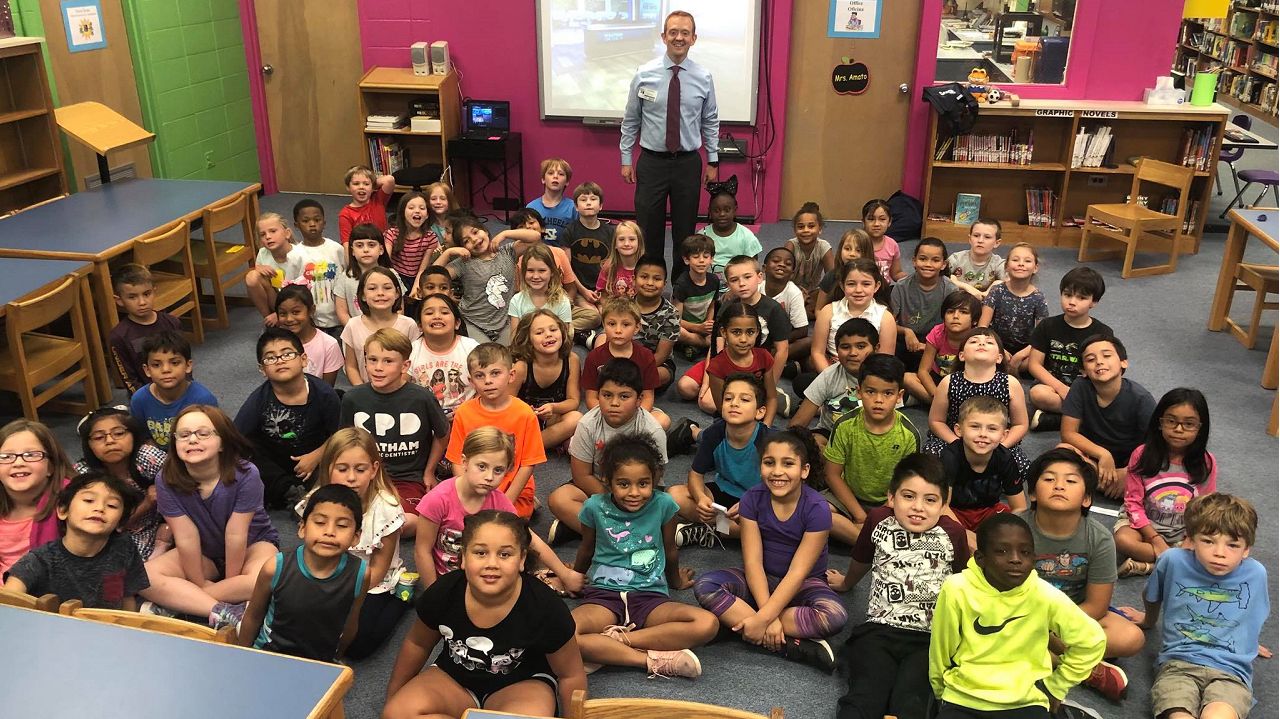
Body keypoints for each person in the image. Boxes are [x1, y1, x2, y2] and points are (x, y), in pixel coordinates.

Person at [382, 511, 587, 719]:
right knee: (396, 714)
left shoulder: (544, 606)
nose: (492, 563)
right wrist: (393, 698)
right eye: (480, 553)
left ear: (522, 559)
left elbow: (571, 675)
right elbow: (417, 644)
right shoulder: (445, 591)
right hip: (454, 678)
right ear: (463, 557)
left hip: (521, 685)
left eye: (505, 554)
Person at [694, 430, 848, 673]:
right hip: (760, 580)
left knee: (834, 615)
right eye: (769, 463)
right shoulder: (751, 499)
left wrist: (761, 617)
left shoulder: (818, 508)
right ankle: (784, 642)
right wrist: (770, 618)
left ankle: (742, 625)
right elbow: (753, 562)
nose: (777, 472)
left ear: (804, 470)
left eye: (788, 464)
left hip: (803, 583)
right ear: (760, 467)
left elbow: (798, 573)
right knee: (706, 584)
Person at [828, 454, 969, 719]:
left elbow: (964, 581)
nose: (918, 507)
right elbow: (862, 558)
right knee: (865, 697)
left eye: (930, 500)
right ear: (891, 497)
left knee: (911, 702)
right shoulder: (879, 519)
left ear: (944, 503)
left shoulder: (954, 533)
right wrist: (847, 583)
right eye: (908, 496)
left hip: (929, 640)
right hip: (878, 632)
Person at [929, 514, 1106, 718]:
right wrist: (941, 695)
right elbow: (941, 650)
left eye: (1025, 552)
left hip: (1025, 701)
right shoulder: (956, 588)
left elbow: (1092, 641)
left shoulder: (1043, 593)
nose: (1015, 559)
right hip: (963, 697)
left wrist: (1056, 687)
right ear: (980, 559)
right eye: (1002, 551)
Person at [570, 434, 716, 678]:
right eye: (623, 484)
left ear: (655, 479)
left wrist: (676, 581)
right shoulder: (594, 507)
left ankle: (613, 643)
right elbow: (587, 547)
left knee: (707, 623)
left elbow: (670, 548)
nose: (634, 493)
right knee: (562, 633)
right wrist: (576, 575)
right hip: (604, 595)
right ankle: (648, 660)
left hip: (650, 597)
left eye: (643, 483)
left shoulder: (664, 504)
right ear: (607, 480)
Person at [1120, 494, 1270, 719]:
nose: (1220, 552)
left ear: (1246, 548)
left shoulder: (1256, 573)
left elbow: (1254, 611)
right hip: (1178, 664)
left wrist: (1246, 638)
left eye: (1233, 545)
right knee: (1178, 715)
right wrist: (1148, 620)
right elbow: (1152, 595)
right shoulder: (1172, 560)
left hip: (1231, 671)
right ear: (1189, 539)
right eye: (1208, 541)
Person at [1018, 448, 1145, 701]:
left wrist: (1052, 630)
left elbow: (1097, 606)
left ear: (1087, 498)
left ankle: (1046, 656)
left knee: (1131, 637)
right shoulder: (1015, 529)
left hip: (1074, 614)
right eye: (1049, 479)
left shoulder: (1098, 538)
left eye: (1071, 480)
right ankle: (1082, 667)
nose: (1059, 486)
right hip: (1021, 614)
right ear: (1032, 493)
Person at [139, 406, 280, 629]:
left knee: (268, 577)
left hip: (252, 545)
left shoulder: (246, 473)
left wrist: (228, 582)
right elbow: (186, 537)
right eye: (184, 435)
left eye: (203, 434)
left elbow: (236, 534)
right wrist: (199, 581)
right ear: (175, 444)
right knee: (142, 577)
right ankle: (222, 610)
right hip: (203, 553)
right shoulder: (165, 479)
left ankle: (186, 601)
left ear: (222, 442)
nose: (192, 440)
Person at [417, 427, 582, 595]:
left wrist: (565, 574)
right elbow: (422, 550)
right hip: (451, 581)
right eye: (482, 466)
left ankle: (547, 576)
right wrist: (433, 595)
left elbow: (529, 538)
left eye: (498, 470)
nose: (489, 477)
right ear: (465, 462)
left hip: (488, 577)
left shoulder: (499, 501)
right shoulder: (438, 499)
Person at [621, 9, 719, 280]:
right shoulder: (644, 74)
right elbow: (631, 120)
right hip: (651, 162)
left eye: (684, 33)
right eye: (673, 32)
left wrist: (712, 160)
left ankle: (681, 287)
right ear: (664, 36)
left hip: (688, 163)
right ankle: (650, 284)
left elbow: (710, 120)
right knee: (648, 229)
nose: (679, 38)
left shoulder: (704, 77)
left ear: (693, 38)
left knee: (685, 231)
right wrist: (626, 159)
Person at [296, 428, 411, 660]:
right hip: (328, 574)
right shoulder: (317, 500)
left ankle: (403, 596)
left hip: (372, 581)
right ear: (329, 468)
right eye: (342, 469)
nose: (351, 478)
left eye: (360, 470)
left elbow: (378, 569)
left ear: (373, 470)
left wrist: (342, 595)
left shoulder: (386, 508)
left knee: (359, 644)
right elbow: (309, 550)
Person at [238, 484, 369, 661]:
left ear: (356, 537)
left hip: (320, 660)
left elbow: (350, 622)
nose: (329, 532)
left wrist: (336, 657)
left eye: (342, 525)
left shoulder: (360, 574)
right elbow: (253, 616)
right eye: (320, 522)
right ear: (302, 528)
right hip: (269, 653)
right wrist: (241, 657)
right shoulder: (275, 567)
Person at [546, 358, 667, 542]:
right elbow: (581, 475)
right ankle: (626, 536)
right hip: (598, 486)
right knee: (559, 499)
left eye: (624, 396)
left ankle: (591, 531)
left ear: (639, 399)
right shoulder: (587, 424)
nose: (614, 403)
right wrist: (615, 498)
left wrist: (629, 496)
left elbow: (656, 476)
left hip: (639, 493)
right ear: (598, 395)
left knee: (667, 505)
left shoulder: (652, 430)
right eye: (607, 395)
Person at [340, 329, 449, 533]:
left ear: (405, 365)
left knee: (404, 522)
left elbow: (442, 435)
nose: (378, 368)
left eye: (388, 361)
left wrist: (428, 472)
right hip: (365, 476)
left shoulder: (421, 398)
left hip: (408, 478)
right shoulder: (353, 398)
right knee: (335, 514)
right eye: (372, 360)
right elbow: (344, 443)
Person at [5, 471, 147, 610]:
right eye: (89, 500)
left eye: (112, 505)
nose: (99, 508)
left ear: (121, 523)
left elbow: (127, 598)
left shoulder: (124, 547)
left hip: (107, 629)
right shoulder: (40, 560)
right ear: (62, 510)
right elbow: (9, 600)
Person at [1114, 388, 1216, 577]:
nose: (1178, 429)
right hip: (1143, 524)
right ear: (1159, 423)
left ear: (1201, 428)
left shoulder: (1206, 461)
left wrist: (1190, 538)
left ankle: (1149, 566)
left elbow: (1205, 508)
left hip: (1183, 529)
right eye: (1171, 421)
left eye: (1189, 424)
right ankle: (1173, 560)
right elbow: (1133, 503)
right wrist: (1154, 538)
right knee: (1123, 541)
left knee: (1215, 550)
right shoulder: (1141, 455)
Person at [234, 328, 341, 509]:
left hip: (313, 461)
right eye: (270, 357)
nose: (280, 360)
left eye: (287, 354)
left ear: (303, 359)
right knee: (243, 457)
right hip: (275, 464)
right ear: (262, 369)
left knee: (341, 466)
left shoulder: (324, 394)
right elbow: (234, 437)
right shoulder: (259, 399)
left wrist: (316, 456)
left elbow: (341, 433)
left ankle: (304, 493)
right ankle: (291, 493)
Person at [822, 354, 921, 545]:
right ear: (858, 392)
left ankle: (861, 540)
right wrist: (859, 516)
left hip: (890, 504)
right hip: (848, 497)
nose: (878, 400)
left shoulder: (909, 434)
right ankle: (871, 543)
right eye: (870, 391)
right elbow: (832, 475)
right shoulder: (845, 425)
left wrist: (880, 515)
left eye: (887, 393)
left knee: (917, 521)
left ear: (899, 396)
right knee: (818, 511)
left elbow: (907, 485)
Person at [669, 373, 772, 544]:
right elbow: (695, 474)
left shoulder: (769, 441)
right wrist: (701, 498)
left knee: (774, 521)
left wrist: (753, 502)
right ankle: (728, 530)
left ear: (760, 412)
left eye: (745, 400)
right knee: (674, 496)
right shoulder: (715, 433)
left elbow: (784, 485)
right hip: (723, 494)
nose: (734, 403)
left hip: (759, 499)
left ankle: (715, 531)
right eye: (728, 398)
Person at [447, 343, 546, 518]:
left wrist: (505, 501)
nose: (488, 381)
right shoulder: (464, 412)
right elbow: (457, 460)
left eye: (495, 373)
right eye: (479, 375)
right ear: (471, 381)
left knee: (505, 528)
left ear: (511, 375)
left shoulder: (524, 414)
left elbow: (527, 464)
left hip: (513, 490)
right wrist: (468, 494)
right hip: (473, 486)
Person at [924, 328, 1031, 478]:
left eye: (989, 342)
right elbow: (936, 420)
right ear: (961, 355)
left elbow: (1020, 424)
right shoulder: (949, 382)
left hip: (995, 440)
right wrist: (958, 444)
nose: (981, 343)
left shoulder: (1010, 383)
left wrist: (999, 446)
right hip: (956, 437)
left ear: (999, 357)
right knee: (932, 460)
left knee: (1018, 466)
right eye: (974, 341)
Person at [1061, 334, 1156, 499]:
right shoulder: (1080, 387)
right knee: (1063, 451)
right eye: (1090, 359)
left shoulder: (1141, 398)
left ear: (1123, 362)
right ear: (1083, 371)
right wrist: (1103, 454)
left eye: (1107, 356)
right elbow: (1068, 433)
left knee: (1159, 476)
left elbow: (1156, 443)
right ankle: (1108, 483)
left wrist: (1128, 471)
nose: (1099, 362)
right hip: (1095, 458)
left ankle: (1101, 482)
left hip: (1131, 463)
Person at [74, 405, 168, 559]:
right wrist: (147, 503)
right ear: (88, 445)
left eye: (118, 433)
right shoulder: (84, 475)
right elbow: (105, 526)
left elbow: (181, 480)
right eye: (98, 437)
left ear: (133, 435)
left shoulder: (147, 457)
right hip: (106, 535)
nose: (110, 441)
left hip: (154, 528)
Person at [1027, 266, 1112, 430]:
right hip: (1053, 387)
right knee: (1037, 394)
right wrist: (1061, 388)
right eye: (1067, 295)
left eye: (1081, 298)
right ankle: (1088, 420)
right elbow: (1034, 365)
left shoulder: (1103, 332)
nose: (1072, 302)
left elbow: (1105, 368)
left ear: (1094, 302)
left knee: (1109, 398)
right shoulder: (1047, 326)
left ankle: (1058, 421)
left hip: (1086, 389)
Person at [433, 216, 540, 345]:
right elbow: (433, 276)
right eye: (466, 240)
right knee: (483, 358)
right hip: (473, 323)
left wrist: (505, 233)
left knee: (507, 358)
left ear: (485, 230)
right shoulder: (463, 263)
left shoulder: (507, 252)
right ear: (463, 247)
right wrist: (448, 253)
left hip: (504, 323)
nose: (474, 239)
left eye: (475, 232)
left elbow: (535, 237)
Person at [940, 396, 1028, 549]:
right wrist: (965, 534)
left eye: (992, 429)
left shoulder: (1005, 458)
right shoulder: (950, 457)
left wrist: (1005, 535)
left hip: (989, 511)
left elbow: (1019, 508)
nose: (983, 434)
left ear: (1004, 435)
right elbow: (942, 506)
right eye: (975, 426)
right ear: (959, 430)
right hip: (955, 512)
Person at [581, 298, 668, 430]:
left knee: (663, 420)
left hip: (635, 411)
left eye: (625, 325)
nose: (618, 330)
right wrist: (609, 415)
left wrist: (631, 418)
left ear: (637, 327)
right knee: (583, 424)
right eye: (612, 324)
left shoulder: (646, 356)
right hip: (604, 412)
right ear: (604, 325)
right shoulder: (594, 357)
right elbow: (591, 398)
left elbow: (648, 396)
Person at [0, 420, 72, 577]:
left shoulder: (72, 501)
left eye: (31, 455)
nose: (18, 463)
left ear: (51, 467)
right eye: (6, 456)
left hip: (48, 592)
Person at [890, 237, 957, 402]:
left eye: (935, 260)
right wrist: (906, 331)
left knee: (946, 368)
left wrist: (929, 344)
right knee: (888, 366)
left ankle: (921, 397)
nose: (928, 264)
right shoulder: (901, 287)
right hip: (905, 341)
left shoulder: (950, 289)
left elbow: (953, 324)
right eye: (923, 258)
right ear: (914, 261)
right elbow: (888, 323)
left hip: (936, 344)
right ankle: (920, 396)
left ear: (943, 264)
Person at [128, 331, 219, 449]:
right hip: (158, 458)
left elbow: (213, 439)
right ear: (147, 370)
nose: (166, 370)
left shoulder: (203, 400)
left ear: (188, 366)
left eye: (175, 363)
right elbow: (142, 438)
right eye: (156, 365)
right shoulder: (139, 399)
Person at [789, 318, 877, 437]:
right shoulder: (828, 376)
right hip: (831, 433)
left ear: (876, 349)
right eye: (845, 347)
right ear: (837, 350)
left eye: (861, 346)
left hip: (871, 436)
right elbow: (798, 423)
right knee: (813, 443)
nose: (853, 353)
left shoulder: (885, 377)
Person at [511, 310, 583, 451]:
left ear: (562, 332)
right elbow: (507, 401)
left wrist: (553, 407)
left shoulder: (572, 360)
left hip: (552, 418)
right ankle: (550, 443)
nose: (548, 334)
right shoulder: (521, 367)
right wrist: (525, 411)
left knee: (576, 418)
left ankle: (526, 449)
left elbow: (573, 401)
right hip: (525, 421)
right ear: (528, 340)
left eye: (553, 329)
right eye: (539, 333)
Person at [812, 259, 897, 376]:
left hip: (870, 374)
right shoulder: (828, 311)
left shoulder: (885, 317)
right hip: (833, 371)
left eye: (866, 284)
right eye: (851, 284)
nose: (858, 290)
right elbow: (818, 352)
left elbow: (884, 360)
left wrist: (865, 385)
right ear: (842, 286)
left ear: (876, 286)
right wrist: (830, 379)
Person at [107, 263, 183, 395]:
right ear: (119, 300)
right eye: (132, 297)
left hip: (179, 390)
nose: (142, 302)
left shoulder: (172, 323)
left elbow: (183, 359)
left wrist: (185, 387)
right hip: (147, 396)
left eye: (146, 294)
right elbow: (128, 378)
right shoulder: (119, 336)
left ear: (154, 291)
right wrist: (149, 399)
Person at [340, 265, 421, 386]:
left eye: (387, 288)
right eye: (372, 288)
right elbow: (351, 366)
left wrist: (398, 388)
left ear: (397, 293)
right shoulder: (352, 325)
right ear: (362, 295)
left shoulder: (409, 325)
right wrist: (362, 391)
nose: (380, 293)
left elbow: (413, 362)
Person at [703, 301, 778, 425]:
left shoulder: (765, 357)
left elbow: (772, 397)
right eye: (736, 332)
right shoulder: (717, 367)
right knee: (712, 440)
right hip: (730, 419)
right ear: (723, 332)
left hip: (759, 416)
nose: (743, 339)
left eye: (750, 332)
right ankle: (694, 432)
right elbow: (723, 408)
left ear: (757, 332)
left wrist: (765, 427)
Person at [978, 242, 1048, 375]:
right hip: (995, 344)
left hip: (1025, 349)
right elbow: (982, 326)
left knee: (1039, 359)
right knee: (980, 350)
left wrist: (1020, 355)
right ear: (1006, 266)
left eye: (1027, 261)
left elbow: (1041, 335)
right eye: (1015, 260)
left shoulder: (1038, 297)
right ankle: (1003, 366)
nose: (1021, 264)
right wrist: (1000, 350)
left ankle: (1009, 368)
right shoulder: (997, 290)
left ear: (1035, 268)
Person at [408, 293, 478, 419]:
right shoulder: (411, 351)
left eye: (444, 313)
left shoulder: (471, 348)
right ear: (419, 325)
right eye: (429, 313)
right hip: (424, 418)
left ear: (457, 323)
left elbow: (484, 383)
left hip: (467, 417)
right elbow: (401, 387)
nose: (437, 316)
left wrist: (469, 410)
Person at [290, 198, 346, 336]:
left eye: (317, 220)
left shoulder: (336, 249)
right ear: (296, 225)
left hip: (339, 319)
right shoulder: (294, 255)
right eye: (305, 221)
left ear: (324, 222)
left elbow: (346, 278)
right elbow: (291, 287)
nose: (312, 224)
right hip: (311, 322)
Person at [918, 291, 982, 402]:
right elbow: (923, 371)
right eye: (950, 312)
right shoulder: (937, 332)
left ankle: (938, 405)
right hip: (939, 380)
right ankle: (944, 405)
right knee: (908, 378)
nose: (956, 316)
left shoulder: (979, 338)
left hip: (967, 383)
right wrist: (937, 395)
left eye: (963, 312)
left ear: (975, 320)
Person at [273, 284, 343, 386]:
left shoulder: (329, 344)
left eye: (296, 312)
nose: (289, 319)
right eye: (283, 314)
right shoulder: (274, 343)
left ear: (311, 310)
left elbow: (327, 389)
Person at [245, 212, 305, 326]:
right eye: (262, 234)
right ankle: (270, 323)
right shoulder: (263, 253)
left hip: (297, 300)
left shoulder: (300, 255)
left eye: (273, 231)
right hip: (276, 299)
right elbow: (255, 281)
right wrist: (258, 269)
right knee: (251, 276)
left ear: (287, 233)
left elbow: (304, 290)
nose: (268, 237)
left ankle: (282, 318)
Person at [384, 191, 440, 312]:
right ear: (403, 212)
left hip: (417, 277)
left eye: (422, 208)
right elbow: (386, 264)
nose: (417, 211)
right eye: (411, 207)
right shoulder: (392, 234)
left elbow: (422, 268)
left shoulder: (430, 237)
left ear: (427, 215)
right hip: (396, 275)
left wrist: (416, 287)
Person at [699, 181, 761, 288]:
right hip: (707, 284)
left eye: (727, 210)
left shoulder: (746, 235)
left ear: (735, 210)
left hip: (738, 285)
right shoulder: (703, 235)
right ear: (710, 211)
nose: (722, 214)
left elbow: (753, 266)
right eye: (716, 210)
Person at [334, 224, 398, 325]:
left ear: (381, 249)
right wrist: (356, 331)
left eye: (371, 245)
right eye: (359, 245)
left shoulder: (392, 274)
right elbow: (342, 312)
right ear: (352, 251)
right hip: (356, 334)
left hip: (388, 334)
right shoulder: (345, 277)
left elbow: (399, 308)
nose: (365, 250)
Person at [632, 256, 681, 390]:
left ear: (665, 284)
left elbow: (661, 355)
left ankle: (629, 382)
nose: (650, 283)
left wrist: (633, 373)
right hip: (625, 356)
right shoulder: (624, 306)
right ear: (633, 279)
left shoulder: (671, 314)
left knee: (662, 375)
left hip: (657, 363)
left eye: (657, 279)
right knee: (601, 343)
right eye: (644, 277)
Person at [508, 243, 573, 337]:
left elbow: (563, 339)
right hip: (525, 349)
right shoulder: (516, 301)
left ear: (552, 272)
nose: (535, 276)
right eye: (530, 270)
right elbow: (515, 339)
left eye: (542, 271)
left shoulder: (562, 302)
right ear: (524, 272)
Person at [762, 247, 811, 371]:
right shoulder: (756, 287)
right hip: (758, 336)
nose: (782, 265)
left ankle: (768, 361)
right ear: (764, 268)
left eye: (788, 264)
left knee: (810, 342)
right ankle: (783, 365)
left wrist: (778, 341)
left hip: (781, 340)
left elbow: (802, 330)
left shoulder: (794, 293)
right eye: (776, 261)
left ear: (792, 273)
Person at [673, 233, 720, 356]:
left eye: (706, 256)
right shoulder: (681, 285)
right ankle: (705, 344)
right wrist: (698, 328)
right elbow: (676, 320)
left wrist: (708, 325)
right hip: (687, 327)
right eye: (695, 256)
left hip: (703, 326)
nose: (701, 260)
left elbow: (712, 306)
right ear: (686, 259)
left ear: (712, 259)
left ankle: (695, 344)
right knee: (676, 331)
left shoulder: (714, 280)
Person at [784, 202, 834, 319]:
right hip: (790, 288)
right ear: (795, 230)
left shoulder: (824, 247)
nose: (806, 230)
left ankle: (802, 311)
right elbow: (782, 276)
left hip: (812, 292)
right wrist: (796, 292)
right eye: (801, 227)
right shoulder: (791, 246)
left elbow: (832, 277)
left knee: (827, 299)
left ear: (820, 229)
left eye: (811, 226)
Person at [561, 181, 612, 294]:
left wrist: (603, 290)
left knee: (606, 310)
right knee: (591, 311)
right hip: (578, 287)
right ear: (576, 207)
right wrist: (583, 291)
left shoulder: (611, 232)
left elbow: (613, 266)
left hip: (605, 288)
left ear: (601, 206)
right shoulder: (569, 231)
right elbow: (567, 268)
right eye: (583, 200)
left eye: (593, 199)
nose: (588, 203)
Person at [815, 228, 875, 312]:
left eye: (858, 250)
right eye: (847, 249)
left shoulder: (874, 278)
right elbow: (819, 309)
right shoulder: (831, 276)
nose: (852, 254)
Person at [948, 217, 1006, 300]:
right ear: (970, 239)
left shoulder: (998, 263)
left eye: (987, 237)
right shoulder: (956, 258)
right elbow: (941, 277)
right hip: (958, 303)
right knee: (951, 277)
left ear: (997, 243)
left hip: (984, 305)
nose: (980, 240)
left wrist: (987, 292)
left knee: (999, 283)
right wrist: (966, 287)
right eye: (976, 235)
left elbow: (1009, 283)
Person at [526, 158, 577, 246]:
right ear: (543, 179)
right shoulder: (531, 207)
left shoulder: (573, 207)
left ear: (567, 182)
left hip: (563, 256)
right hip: (537, 256)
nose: (555, 176)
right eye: (550, 173)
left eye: (561, 174)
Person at [338, 165, 395, 243]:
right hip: (362, 250)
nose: (361, 187)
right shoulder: (345, 214)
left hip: (382, 247)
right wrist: (369, 185)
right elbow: (346, 242)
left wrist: (372, 185)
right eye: (356, 184)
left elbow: (389, 180)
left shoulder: (378, 200)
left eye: (366, 184)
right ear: (348, 187)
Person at [595, 221, 645, 300]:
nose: (626, 243)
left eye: (632, 239)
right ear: (615, 244)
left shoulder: (646, 267)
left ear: (639, 243)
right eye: (621, 239)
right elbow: (602, 295)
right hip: (614, 309)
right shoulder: (609, 266)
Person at [862, 199, 906, 285]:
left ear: (889, 222)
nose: (876, 224)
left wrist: (909, 279)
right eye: (871, 219)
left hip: (883, 291)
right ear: (863, 222)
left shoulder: (892, 245)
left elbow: (896, 273)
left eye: (882, 219)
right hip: (861, 290)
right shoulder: (857, 243)